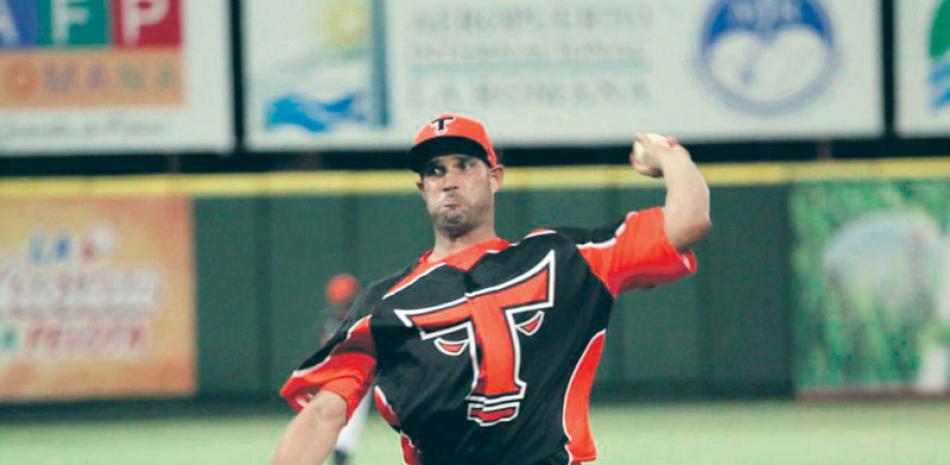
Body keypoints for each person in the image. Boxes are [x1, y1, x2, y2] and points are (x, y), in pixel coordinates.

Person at [271, 113, 711, 465]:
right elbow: (322, 416)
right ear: (423, 187)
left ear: (494, 177)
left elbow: (687, 221)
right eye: (436, 170)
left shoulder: (563, 259)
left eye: (465, 165)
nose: (450, 179)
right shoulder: (386, 303)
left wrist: (671, 156)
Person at [319, 273, 370, 465]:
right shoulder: (331, 322)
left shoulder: (361, 317)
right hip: (341, 378)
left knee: (347, 427)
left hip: (357, 376)